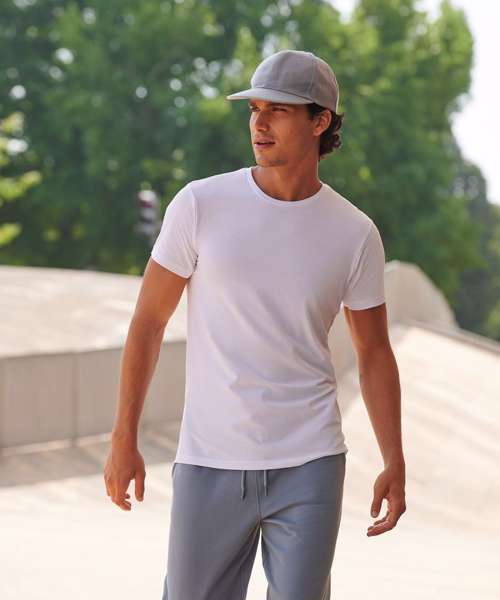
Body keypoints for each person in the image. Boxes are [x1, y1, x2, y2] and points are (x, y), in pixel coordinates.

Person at [104, 49, 406, 600]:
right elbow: (148, 321)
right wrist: (124, 436)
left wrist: (394, 459)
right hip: (209, 457)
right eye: (254, 109)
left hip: (310, 460)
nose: (259, 124)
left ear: (320, 121)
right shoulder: (200, 205)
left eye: (278, 110)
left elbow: (374, 352)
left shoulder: (355, 233)